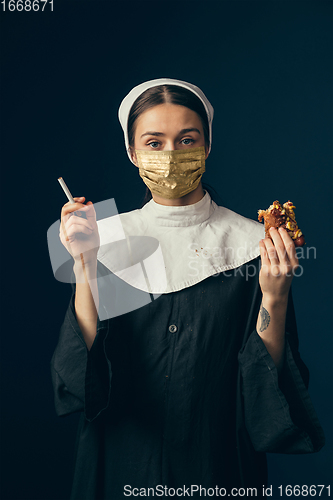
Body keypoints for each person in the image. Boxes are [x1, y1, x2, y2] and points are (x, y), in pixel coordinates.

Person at [51, 78, 325, 500]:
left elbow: (263, 394)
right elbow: (82, 379)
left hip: (216, 466)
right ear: (131, 152)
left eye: (186, 140)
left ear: (208, 145)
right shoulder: (101, 238)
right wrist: (85, 264)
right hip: (121, 462)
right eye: (154, 143)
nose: (172, 155)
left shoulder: (253, 245)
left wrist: (275, 295)